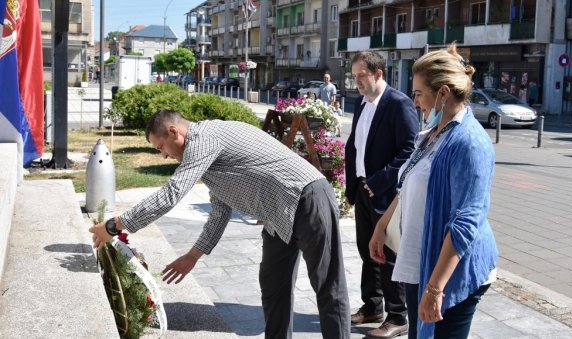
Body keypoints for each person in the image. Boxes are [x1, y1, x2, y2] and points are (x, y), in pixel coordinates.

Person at [89, 110, 351, 339]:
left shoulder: (204, 139)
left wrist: (115, 225)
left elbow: (172, 193)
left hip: (307, 197)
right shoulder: (207, 156)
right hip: (278, 215)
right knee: (274, 287)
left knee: (328, 286)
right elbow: (220, 211)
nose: (164, 156)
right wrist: (193, 255)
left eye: (161, 147)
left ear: (174, 131)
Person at [369, 43, 498, 339]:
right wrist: (382, 225)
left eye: (418, 93)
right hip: (421, 262)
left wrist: (435, 288)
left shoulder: (470, 142)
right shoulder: (432, 133)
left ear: (443, 93)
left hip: (450, 273)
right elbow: (407, 184)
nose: (415, 102)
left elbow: (466, 222)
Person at [344, 51, 419, 338]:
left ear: (378, 74)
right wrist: (353, 188)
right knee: (367, 251)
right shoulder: (361, 103)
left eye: (361, 75)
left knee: (386, 255)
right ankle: (373, 306)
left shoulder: (398, 104)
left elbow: (409, 151)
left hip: (385, 194)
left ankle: (398, 316)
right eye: (354, 76)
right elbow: (355, 147)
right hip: (363, 190)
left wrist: (379, 181)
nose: (357, 82)